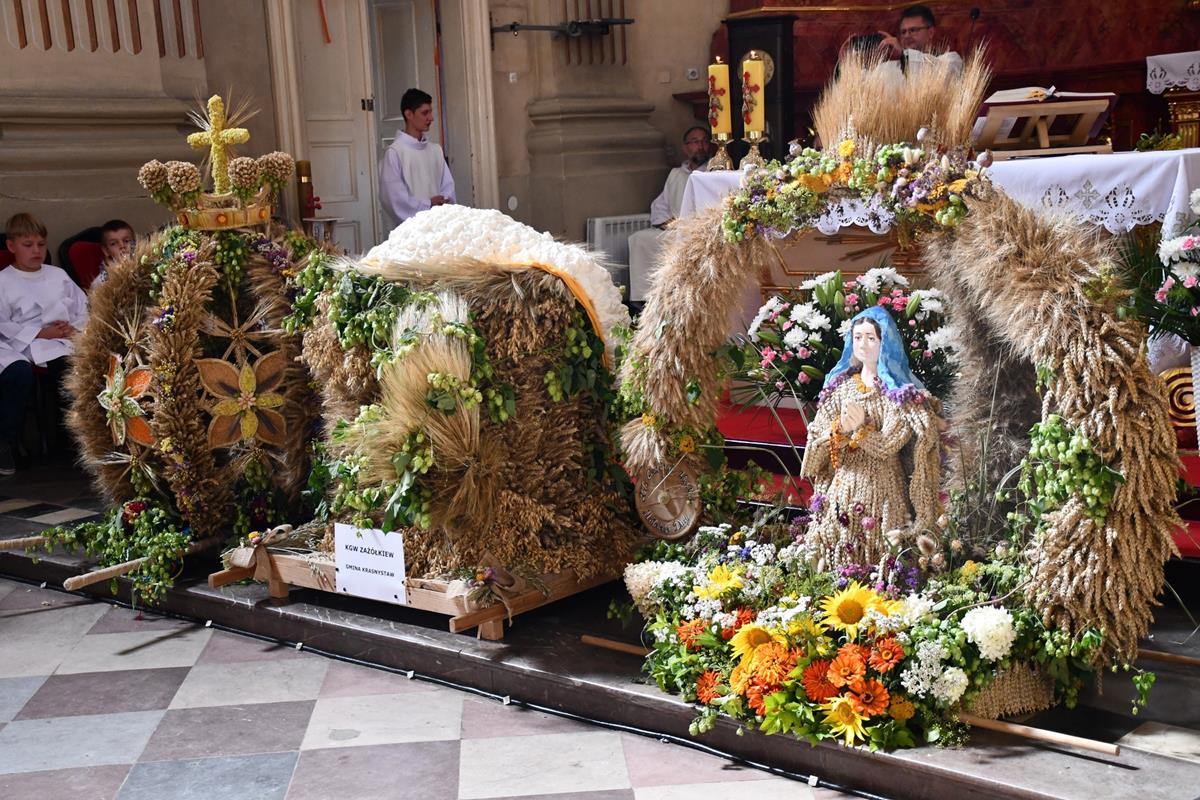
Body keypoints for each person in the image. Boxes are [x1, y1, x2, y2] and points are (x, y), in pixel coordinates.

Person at [799, 306, 943, 568]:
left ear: (884, 343)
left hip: (884, 489)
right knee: (840, 546)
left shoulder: (897, 395)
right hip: (843, 488)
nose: (863, 345)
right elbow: (817, 438)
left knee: (883, 550)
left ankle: (887, 581)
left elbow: (888, 443)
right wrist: (838, 429)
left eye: (870, 338)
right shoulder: (840, 389)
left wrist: (858, 430)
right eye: (857, 337)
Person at [0, 213, 89, 474]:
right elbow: (4, 323)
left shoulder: (58, 275)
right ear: (11, 246)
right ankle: (9, 443)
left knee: (80, 368)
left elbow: (83, 308)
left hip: (65, 340)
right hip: (25, 344)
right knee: (43, 371)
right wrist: (39, 333)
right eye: (28, 245)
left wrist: (74, 328)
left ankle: (81, 439)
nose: (36, 251)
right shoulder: (4, 281)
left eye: (41, 244)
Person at [627, 126, 710, 303]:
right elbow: (660, 206)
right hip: (675, 229)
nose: (701, 146)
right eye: (695, 142)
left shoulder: (712, 173)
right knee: (638, 238)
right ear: (685, 148)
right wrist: (669, 224)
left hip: (699, 231)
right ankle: (644, 298)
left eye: (704, 141)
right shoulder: (676, 174)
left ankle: (681, 296)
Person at [379, 88, 456, 229]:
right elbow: (393, 198)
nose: (431, 118)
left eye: (431, 112)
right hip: (410, 231)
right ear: (408, 114)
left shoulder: (436, 150)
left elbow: (448, 188)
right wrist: (428, 204)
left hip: (438, 226)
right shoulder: (395, 153)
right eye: (425, 113)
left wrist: (442, 204)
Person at [876, 4, 962, 74]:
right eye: (903, 32)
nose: (907, 36)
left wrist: (903, 55)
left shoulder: (951, 60)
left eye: (913, 30)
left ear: (931, 32)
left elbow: (934, 74)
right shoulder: (888, 67)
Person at [92, 218, 136, 288]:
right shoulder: (101, 284)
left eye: (126, 241)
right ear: (106, 251)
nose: (122, 246)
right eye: (114, 244)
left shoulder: (147, 265)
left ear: (135, 243)